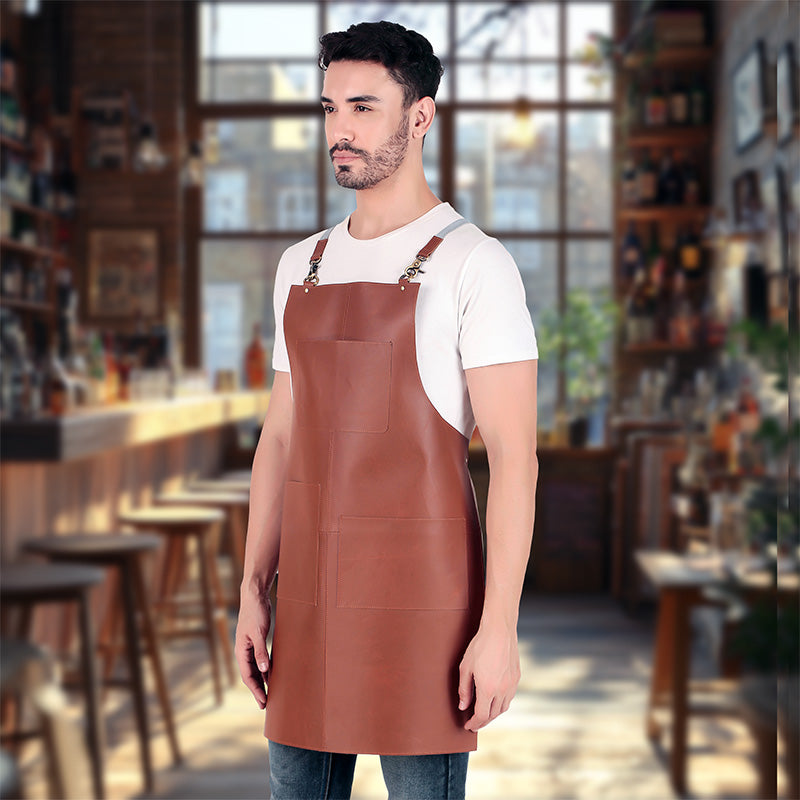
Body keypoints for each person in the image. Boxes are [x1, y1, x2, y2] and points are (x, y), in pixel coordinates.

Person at [235, 20, 539, 800]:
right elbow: (280, 440)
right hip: (305, 604)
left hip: (426, 611)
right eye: (331, 107)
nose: (341, 129)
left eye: (364, 107)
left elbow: (514, 459)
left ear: (420, 116)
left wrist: (497, 628)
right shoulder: (298, 267)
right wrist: (250, 589)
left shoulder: (475, 263)